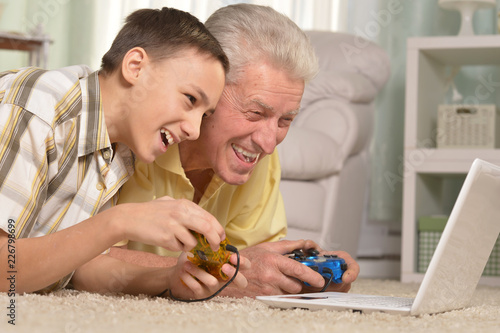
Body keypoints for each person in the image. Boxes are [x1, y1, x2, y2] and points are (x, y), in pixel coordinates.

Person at [0, 7, 249, 300]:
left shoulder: (121, 150)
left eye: (204, 115)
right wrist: (121, 220)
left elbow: (80, 268)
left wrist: (168, 278)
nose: (194, 131)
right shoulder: (36, 106)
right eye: (190, 99)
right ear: (135, 67)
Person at [113, 4, 359, 298]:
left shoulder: (258, 156)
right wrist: (220, 274)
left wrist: (302, 278)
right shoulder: (136, 133)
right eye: (255, 112)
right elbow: (82, 257)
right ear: (210, 86)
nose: (269, 144)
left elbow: (254, 264)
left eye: (286, 120)